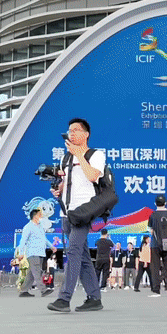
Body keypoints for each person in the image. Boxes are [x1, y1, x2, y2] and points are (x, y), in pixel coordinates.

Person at [48, 118, 105, 312]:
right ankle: (94, 298)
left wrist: (79, 154)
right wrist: (59, 190)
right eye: (69, 130)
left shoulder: (95, 155)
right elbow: (66, 182)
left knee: (73, 251)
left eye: (76, 130)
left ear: (86, 134)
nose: (71, 134)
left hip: (84, 211)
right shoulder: (65, 158)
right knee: (83, 256)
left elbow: (93, 176)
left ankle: (64, 299)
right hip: (66, 212)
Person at [17, 208, 57, 297]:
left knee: (31, 273)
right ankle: (43, 290)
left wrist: (51, 246)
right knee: (37, 272)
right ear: (35, 216)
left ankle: (24, 291)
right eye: (40, 214)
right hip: (33, 253)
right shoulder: (28, 227)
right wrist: (21, 253)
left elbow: (44, 239)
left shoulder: (40, 227)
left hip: (41, 253)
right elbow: (23, 240)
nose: (42, 216)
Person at [148, 195, 167, 297]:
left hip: (156, 244)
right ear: (165, 203)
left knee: (155, 267)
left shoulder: (153, 215)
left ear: (155, 204)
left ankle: (156, 290)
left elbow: (150, 229)